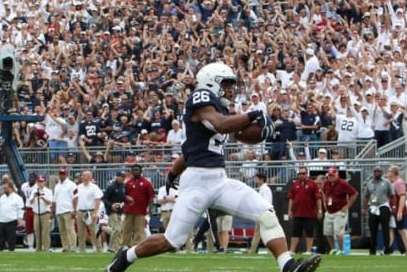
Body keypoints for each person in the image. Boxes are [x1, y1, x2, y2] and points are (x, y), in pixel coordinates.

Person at [106, 62, 321, 272]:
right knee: (172, 240)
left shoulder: (219, 109)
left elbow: (193, 148)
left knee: (266, 212)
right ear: (211, 83)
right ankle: (127, 256)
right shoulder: (201, 99)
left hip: (219, 180)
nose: (230, 89)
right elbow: (221, 124)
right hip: (197, 183)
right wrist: (253, 114)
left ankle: (288, 265)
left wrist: (263, 130)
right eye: (226, 84)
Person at [322, 167, 357, 255]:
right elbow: (323, 193)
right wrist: (324, 203)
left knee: (338, 231)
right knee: (328, 231)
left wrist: (348, 205)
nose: (331, 177)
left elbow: (354, 193)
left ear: (337, 175)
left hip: (339, 211)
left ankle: (341, 250)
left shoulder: (343, 183)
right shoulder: (326, 183)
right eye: (329, 175)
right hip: (329, 211)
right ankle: (333, 249)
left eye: (332, 175)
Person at [287, 167, 322, 255]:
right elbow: (291, 198)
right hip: (298, 213)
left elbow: (318, 198)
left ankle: (308, 250)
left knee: (309, 233)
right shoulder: (295, 184)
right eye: (300, 173)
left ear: (307, 174)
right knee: (295, 233)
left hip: (309, 213)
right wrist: (289, 210)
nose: (301, 175)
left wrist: (320, 210)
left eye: (303, 173)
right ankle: (292, 250)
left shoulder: (312, 184)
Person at [363, 166, 394, 256]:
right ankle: (372, 250)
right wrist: (363, 209)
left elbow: (392, 194)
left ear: (382, 172)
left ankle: (387, 250)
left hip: (383, 206)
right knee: (372, 230)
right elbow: (366, 196)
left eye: (379, 171)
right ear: (373, 172)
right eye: (376, 171)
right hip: (373, 207)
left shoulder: (386, 182)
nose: (377, 173)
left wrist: (393, 206)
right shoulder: (369, 183)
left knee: (385, 229)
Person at [121, 164, 154, 247]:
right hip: (129, 210)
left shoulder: (147, 183)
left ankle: (137, 246)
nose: (135, 171)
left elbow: (151, 197)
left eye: (137, 170)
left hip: (141, 211)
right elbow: (124, 196)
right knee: (126, 229)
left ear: (140, 171)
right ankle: (125, 245)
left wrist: (150, 209)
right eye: (134, 170)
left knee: (139, 230)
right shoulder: (128, 183)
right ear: (131, 172)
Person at [387, 165, 407, 256]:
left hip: (398, 210)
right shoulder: (393, 182)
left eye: (389, 171)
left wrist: (399, 211)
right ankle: (387, 249)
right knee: (391, 229)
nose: (387, 172)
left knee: (402, 229)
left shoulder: (398, 182)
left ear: (394, 172)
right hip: (393, 210)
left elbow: (402, 197)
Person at [75, 170, 103, 252]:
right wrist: (76, 210)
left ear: (89, 177)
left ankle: (99, 249)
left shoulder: (94, 187)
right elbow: (76, 199)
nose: (82, 177)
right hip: (80, 211)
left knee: (94, 231)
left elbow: (98, 200)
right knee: (80, 232)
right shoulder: (78, 187)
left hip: (91, 211)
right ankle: (82, 249)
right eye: (82, 175)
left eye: (84, 175)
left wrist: (95, 212)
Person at [52, 167, 77, 252]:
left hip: (68, 210)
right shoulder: (57, 186)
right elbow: (54, 200)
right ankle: (65, 247)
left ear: (66, 175)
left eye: (63, 174)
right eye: (60, 174)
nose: (61, 175)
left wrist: (74, 210)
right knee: (62, 230)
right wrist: (53, 211)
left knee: (70, 229)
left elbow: (75, 198)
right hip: (59, 211)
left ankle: (73, 247)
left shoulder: (72, 185)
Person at [0, 181, 24, 251]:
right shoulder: (2, 197)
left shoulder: (17, 198)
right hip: (2, 221)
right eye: (4, 188)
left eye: (6, 188)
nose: (4, 190)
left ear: (11, 188)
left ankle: (11, 250)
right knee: (0, 238)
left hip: (11, 220)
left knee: (11, 238)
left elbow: (20, 209)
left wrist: (20, 218)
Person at [249, 173, 274, 254]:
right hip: (263, 214)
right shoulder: (262, 189)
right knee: (259, 233)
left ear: (261, 179)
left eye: (257, 179)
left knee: (263, 233)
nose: (256, 181)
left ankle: (253, 250)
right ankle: (252, 250)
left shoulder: (265, 189)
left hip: (264, 214)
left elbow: (266, 203)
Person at [103, 172, 126, 252]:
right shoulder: (111, 187)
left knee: (120, 229)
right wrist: (111, 205)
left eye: (124, 177)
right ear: (117, 177)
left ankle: (118, 247)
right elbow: (105, 199)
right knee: (116, 229)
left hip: (120, 211)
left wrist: (124, 203)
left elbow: (125, 198)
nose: (123, 178)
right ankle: (111, 248)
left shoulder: (124, 187)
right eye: (121, 176)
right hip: (112, 211)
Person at [29, 174, 53, 252]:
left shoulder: (48, 191)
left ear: (44, 182)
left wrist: (42, 197)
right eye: (39, 181)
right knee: (37, 232)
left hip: (45, 213)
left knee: (45, 232)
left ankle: (46, 248)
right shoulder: (34, 191)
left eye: (42, 181)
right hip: (36, 213)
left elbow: (50, 202)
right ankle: (38, 248)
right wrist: (34, 197)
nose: (40, 183)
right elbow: (30, 202)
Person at [20, 173, 37, 250]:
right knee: (29, 229)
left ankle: (39, 245)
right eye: (30, 177)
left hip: (36, 209)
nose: (31, 179)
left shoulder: (37, 186)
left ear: (35, 179)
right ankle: (30, 245)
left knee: (37, 228)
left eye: (32, 177)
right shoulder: (24, 186)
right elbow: (23, 195)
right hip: (28, 209)